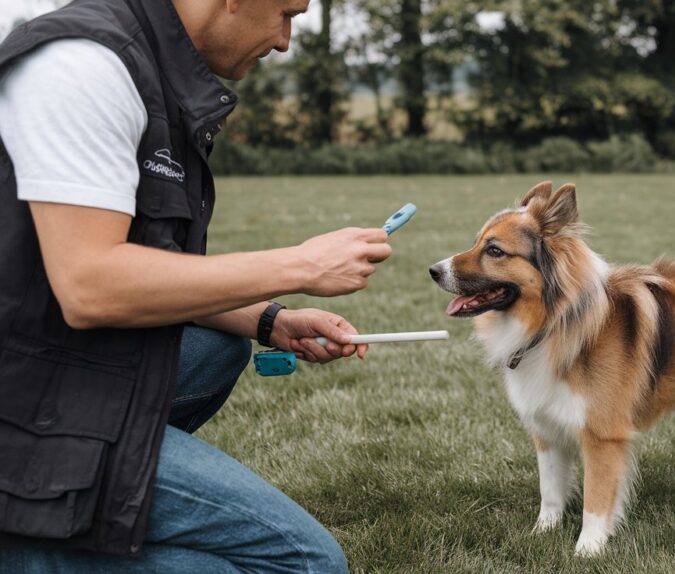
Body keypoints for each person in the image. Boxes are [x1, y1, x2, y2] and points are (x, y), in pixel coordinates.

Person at [0, 0, 390, 571]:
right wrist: (301, 265)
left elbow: (154, 266)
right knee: (305, 564)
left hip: (49, 359)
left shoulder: (155, 72)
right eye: (286, 13)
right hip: (24, 399)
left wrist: (273, 320)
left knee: (216, 349)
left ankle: (68, 517)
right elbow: (91, 286)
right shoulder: (83, 65)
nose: (284, 40)